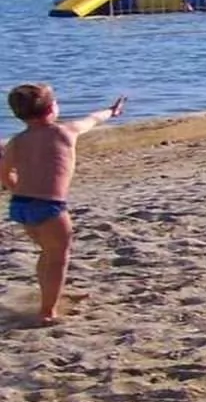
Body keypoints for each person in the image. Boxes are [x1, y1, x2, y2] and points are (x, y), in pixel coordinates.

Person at [2, 85, 125, 327]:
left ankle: (50, 296)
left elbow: (4, 172)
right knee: (59, 257)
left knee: (48, 252)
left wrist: (16, 189)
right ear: (51, 109)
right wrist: (112, 111)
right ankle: (48, 311)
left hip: (21, 205)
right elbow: (92, 119)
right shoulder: (64, 131)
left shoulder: (17, 141)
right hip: (49, 206)